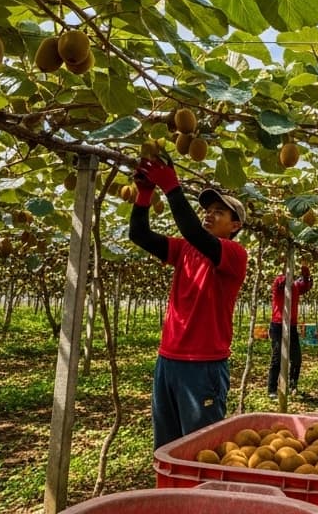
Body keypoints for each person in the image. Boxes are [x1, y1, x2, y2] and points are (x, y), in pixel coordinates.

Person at [128, 157, 248, 450]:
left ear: (235, 225)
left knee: (199, 449)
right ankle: (169, 496)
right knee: (166, 446)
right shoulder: (184, 251)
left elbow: (192, 232)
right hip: (168, 360)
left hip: (203, 365)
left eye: (219, 212)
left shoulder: (234, 254)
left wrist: (171, 186)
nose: (209, 215)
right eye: (207, 211)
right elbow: (139, 235)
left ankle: (200, 496)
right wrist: (144, 194)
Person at [267, 264, 313, 399]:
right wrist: (289, 273)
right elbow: (282, 283)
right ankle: (272, 389)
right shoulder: (278, 282)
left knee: (296, 358)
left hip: (291, 326)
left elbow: (305, 286)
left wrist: (306, 277)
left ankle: (293, 386)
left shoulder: (296, 286)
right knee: (277, 358)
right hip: (278, 325)